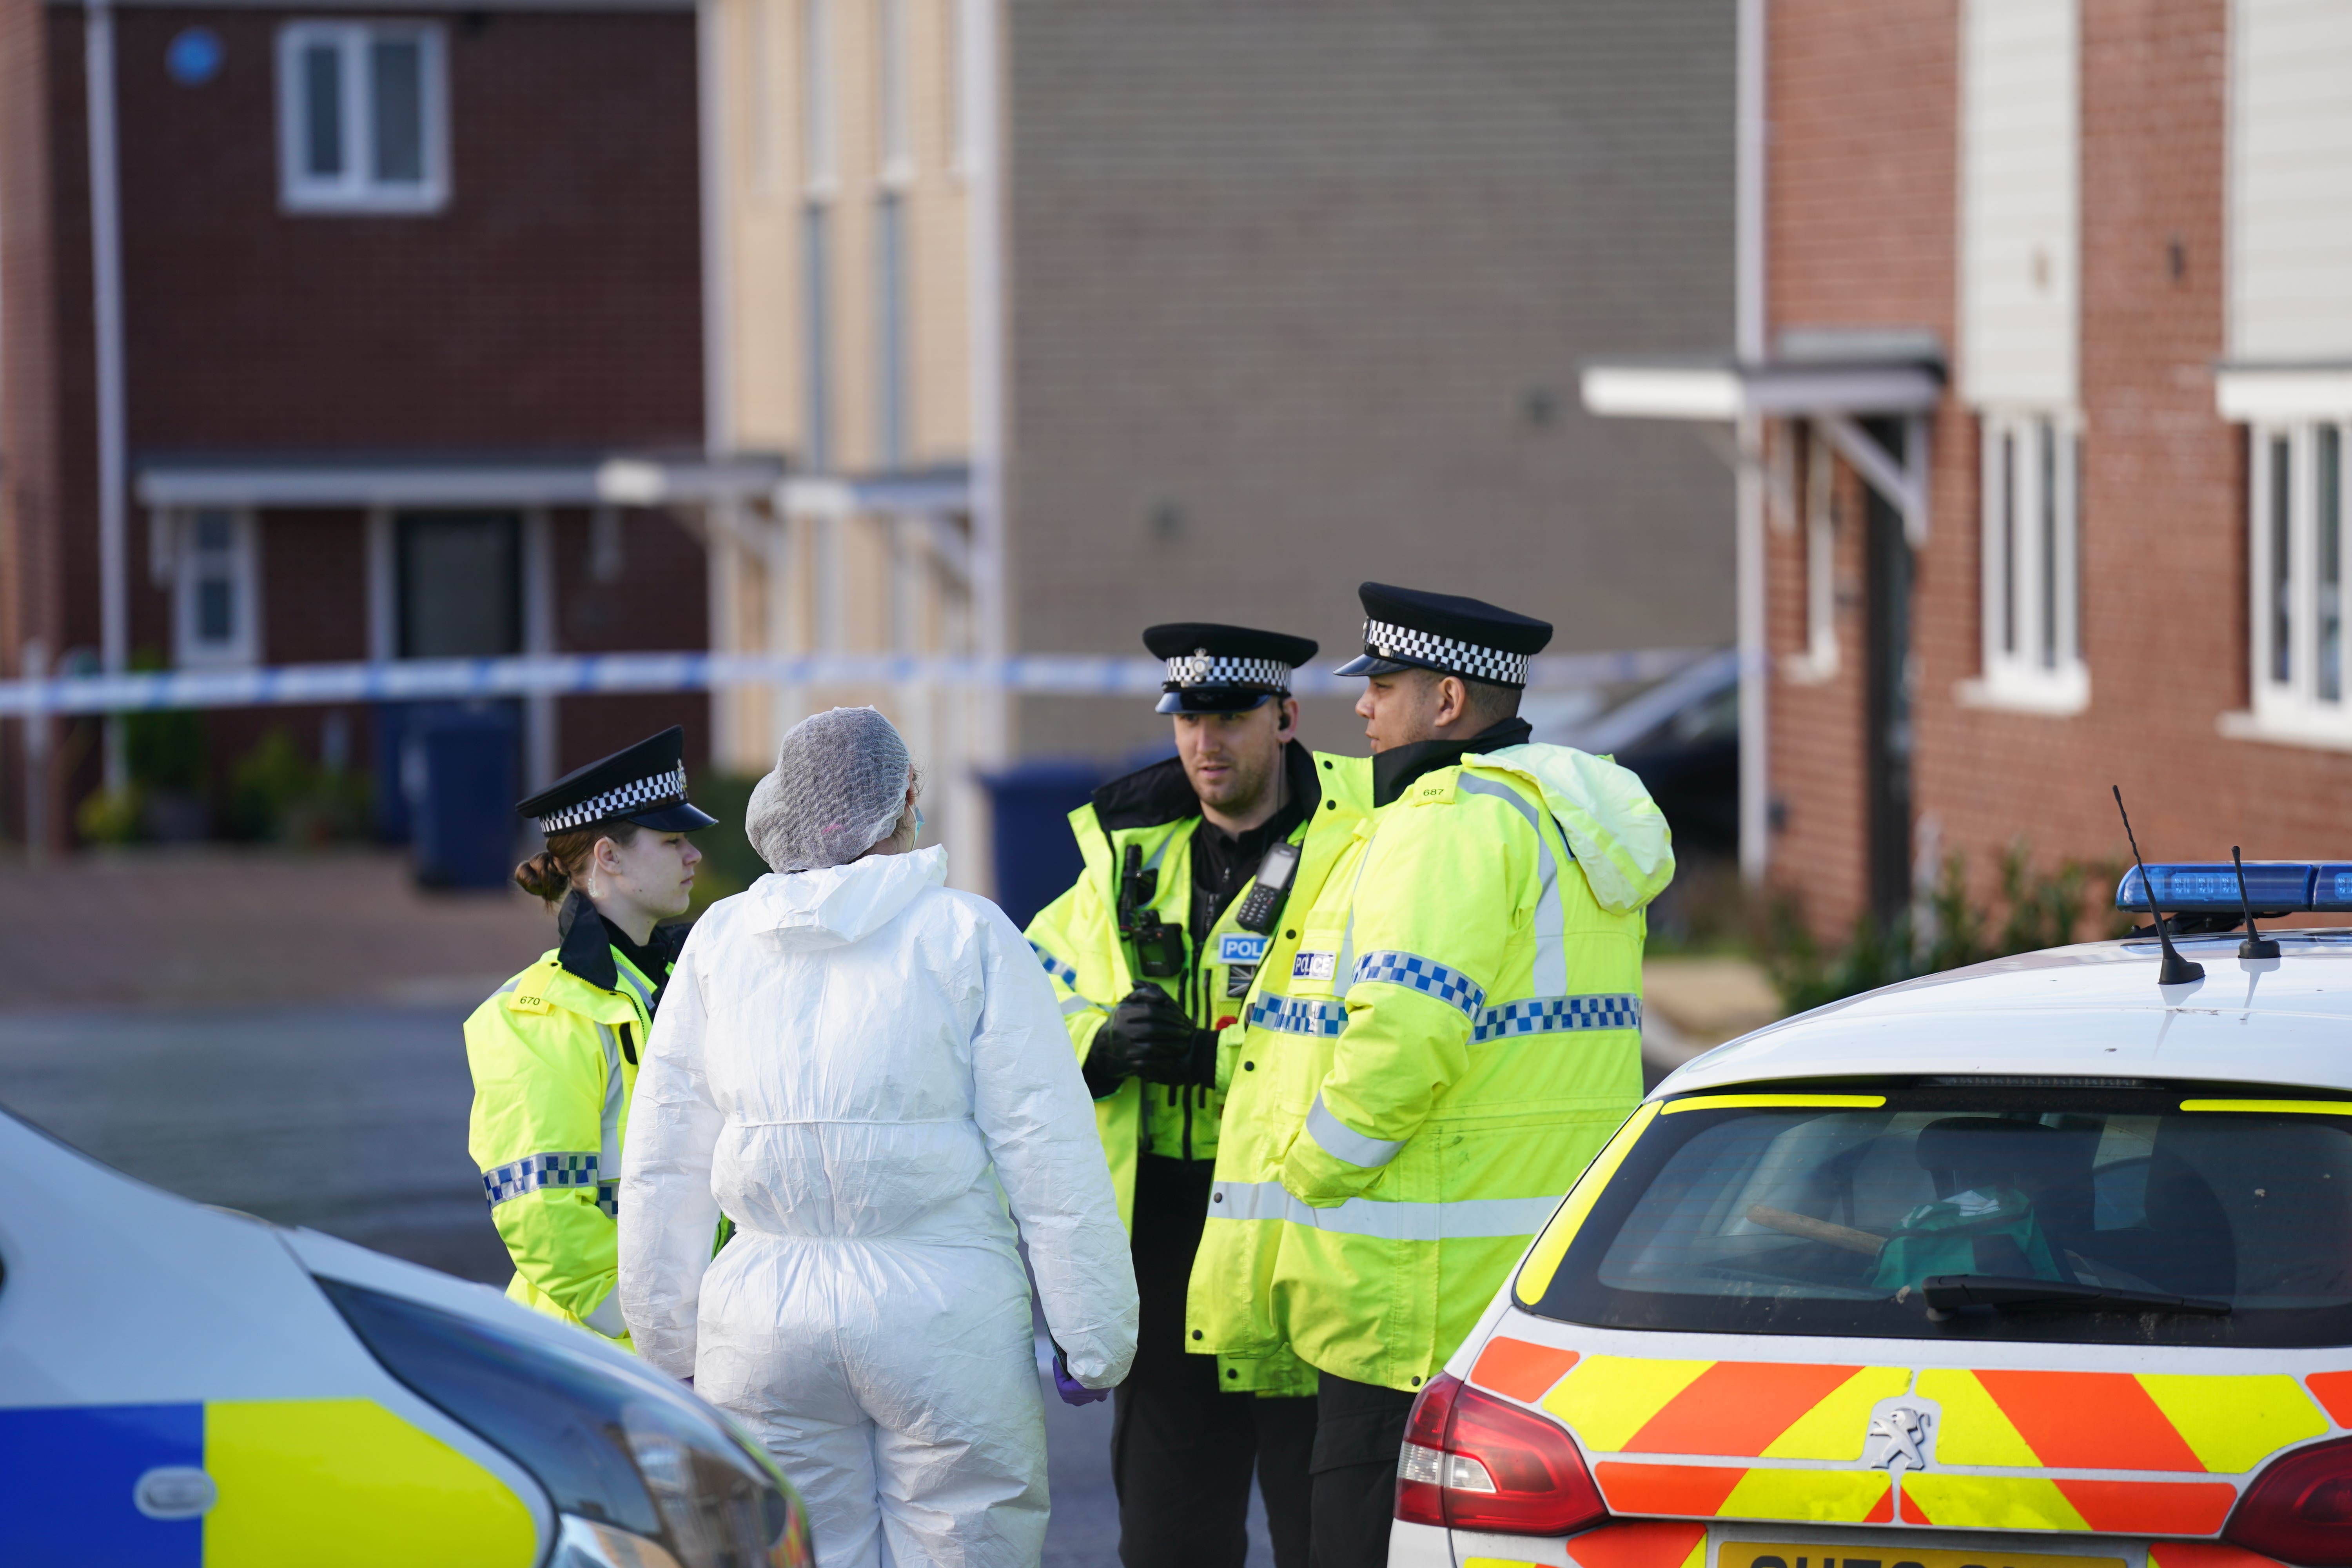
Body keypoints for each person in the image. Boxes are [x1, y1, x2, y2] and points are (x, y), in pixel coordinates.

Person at [618, 706, 1138, 1568]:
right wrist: (1095, 1331)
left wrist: (667, 1337)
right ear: (902, 801)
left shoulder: (721, 941)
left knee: (796, 1548)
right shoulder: (967, 935)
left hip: (761, 1325)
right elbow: (1048, 1146)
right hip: (944, 1316)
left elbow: (666, 1156)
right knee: (967, 1543)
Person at [1252, 584, 1673, 1568]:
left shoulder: (1445, 823)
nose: (1362, 707)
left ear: (1446, 703)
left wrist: (1307, 1169)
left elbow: (1405, 1039)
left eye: (1383, 685)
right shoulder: (1567, 819)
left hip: (1410, 1304)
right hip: (1536, 1284)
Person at [1026, 625, 1373, 1568]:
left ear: (1288, 718)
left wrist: (1217, 1067)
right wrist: (1098, 1044)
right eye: (1188, 720)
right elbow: (1029, 1000)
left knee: (1326, 1542)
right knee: (1171, 1542)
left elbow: (1384, 1026)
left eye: (1229, 718)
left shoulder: (1365, 843)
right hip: (1167, 1240)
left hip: (1309, 1232)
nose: (1204, 744)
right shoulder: (1127, 853)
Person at [465, 725, 715, 1343]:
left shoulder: (685, 980)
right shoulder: (538, 1016)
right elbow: (546, 1221)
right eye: (674, 840)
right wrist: (664, 1343)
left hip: (698, 1342)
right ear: (609, 857)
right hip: (600, 1360)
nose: (695, 857)